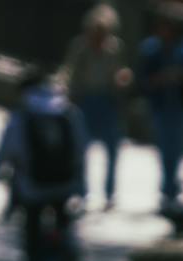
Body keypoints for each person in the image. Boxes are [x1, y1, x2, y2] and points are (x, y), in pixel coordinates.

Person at [0, 68, 87, 261]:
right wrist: (81, 186)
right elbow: (80, 148)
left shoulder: (23, 112)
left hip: (32, 187)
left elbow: (8, 148)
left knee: (32, 226)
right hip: (64, 185)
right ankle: (65, 255)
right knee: (63, 220)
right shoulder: (67, 110)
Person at [62, 5, 130, 210]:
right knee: (81, 150)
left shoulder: (115, 48)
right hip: (86, 101)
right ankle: (81, 191)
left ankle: (109, 193)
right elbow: (70, 74)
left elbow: (120, 72)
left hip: (107, 101)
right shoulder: (80, 47)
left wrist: (122, 80)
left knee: (112, 150)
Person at [138, 12, 183, 206]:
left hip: (180, 106)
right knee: (164, 146)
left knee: (178, 146)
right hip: (160, 105)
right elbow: (144, 79)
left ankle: (173, 182)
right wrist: (162, 78)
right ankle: (168, 184)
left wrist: (180, 76)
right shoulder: (151, 49)